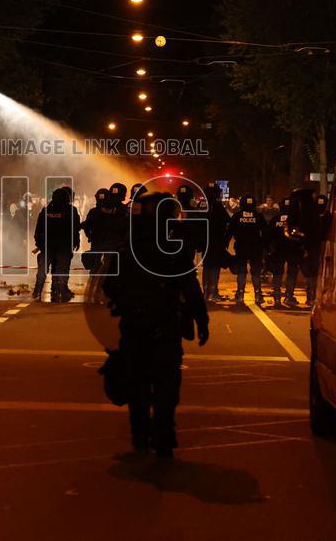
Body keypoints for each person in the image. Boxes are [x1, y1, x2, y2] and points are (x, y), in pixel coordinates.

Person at [103, 192, 209, 458]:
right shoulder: (174, 249)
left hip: (134, 326)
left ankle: (140, 433)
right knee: (166, 383)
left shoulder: (126, 249)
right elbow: (190, 287)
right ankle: (164, 434)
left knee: (137, 382)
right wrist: (201, 319)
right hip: (165, 326)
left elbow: (108, 286)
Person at [33, 186, 81, 302]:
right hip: (64, 246)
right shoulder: (71, 210)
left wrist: (39, 244)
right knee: (63, 269)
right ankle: (62, 290)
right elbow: (75, 228)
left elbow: (39, 229)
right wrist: (76, 241)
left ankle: (37, 290)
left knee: (43, 269)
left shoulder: (46, 210)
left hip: (48, 245)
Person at [228, 193, 268, 304]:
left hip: (241, 247)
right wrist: (266, 247)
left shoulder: (237, 216)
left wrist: (225, 244)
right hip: (256, 248)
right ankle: (258, 295)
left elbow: (230, 231)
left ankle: (240, 294)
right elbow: (265, 232)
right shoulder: (258, 216)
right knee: (255, 272)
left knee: (242, 271)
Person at [266, 196, 301, 308]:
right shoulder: (296, 219)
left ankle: (277, 297)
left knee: (278, 273)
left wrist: (269, 249)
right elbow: (302, 235)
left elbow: (269, 235)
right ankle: (289, 296)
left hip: (278, 250)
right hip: (293, 250)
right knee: (291, 273)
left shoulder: (276, 219)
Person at [201, 183, 230, 301]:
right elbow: (228, 222)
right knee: (214, 266)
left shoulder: (202, 205)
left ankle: (206, 292)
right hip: (216, 242)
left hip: (204, 241)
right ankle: (213, 292)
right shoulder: (218, 206)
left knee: (207, 265)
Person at [302, 194, 329, 306]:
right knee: (319, 274)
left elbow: (305, 231)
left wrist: (304, 247)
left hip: (313, 247)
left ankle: (311, 297)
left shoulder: (310, 215)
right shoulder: (328, 215)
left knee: (312, 274)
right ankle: (316, 297)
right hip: (323, 247)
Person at [80, 188, 110, 272]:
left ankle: (94, 276)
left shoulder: (93, 211)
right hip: (109, 241)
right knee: (108, 263)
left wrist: (90, 236)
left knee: (95, 263)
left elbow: (86, 225)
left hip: (97, 240)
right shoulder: (114, 211)